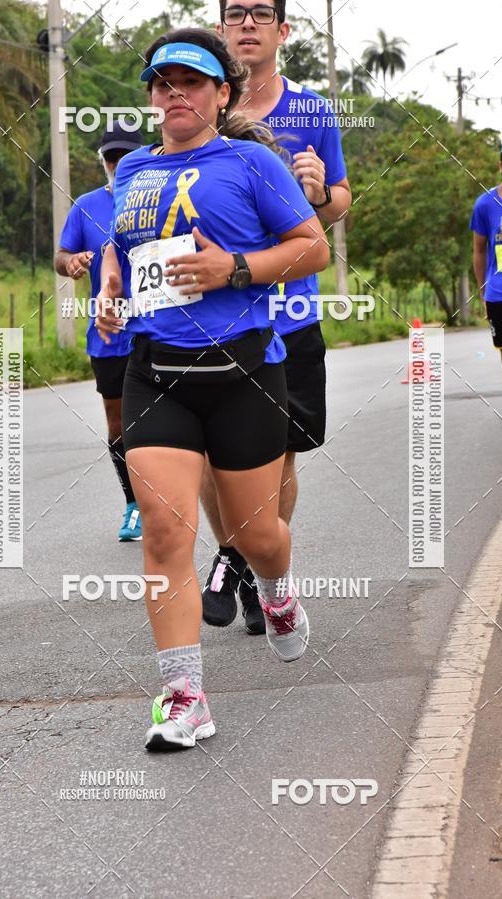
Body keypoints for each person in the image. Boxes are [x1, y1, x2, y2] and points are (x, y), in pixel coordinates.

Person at [97, 28, 330, 750]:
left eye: (190, 82)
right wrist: (111, 286)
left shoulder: (250, 161)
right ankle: (184, 695)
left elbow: (310, 245)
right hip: (156, 371)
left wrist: (234, 270)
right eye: (161, 83)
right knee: (166, 531)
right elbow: (122, 244)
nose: (173, 93)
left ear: (220, 94)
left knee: (256, 534)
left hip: (244, 373)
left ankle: (278, 591)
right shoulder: (132, 167)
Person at [201, 0, 352, 634]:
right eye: (235, 12)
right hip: (211, 317)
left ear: (282, 30)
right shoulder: (197, 106)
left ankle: (252, 566)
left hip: (289, 317)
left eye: (262, 13)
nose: (247, 23)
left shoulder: (312, 111)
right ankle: (242, 560)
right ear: (220, 29)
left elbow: (341, 198)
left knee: (279, 458)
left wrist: (320, 197)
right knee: (212, 458)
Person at [55, 123, 145, 540]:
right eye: (111, 158)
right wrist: (70, 264)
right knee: (119, 426)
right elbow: (62, 254)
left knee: (166, 419)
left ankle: (168, 500)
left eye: (125, 157)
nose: (117, 165)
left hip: (159, 328)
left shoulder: (159, 199)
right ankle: (134, 504)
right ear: (103, 161)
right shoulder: (87, 206)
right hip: (107, 333)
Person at [471, 139, 502, 454]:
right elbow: (478, 250)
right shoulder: (485, 205)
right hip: (501, 297)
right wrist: (483, 292)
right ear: (500, 167)